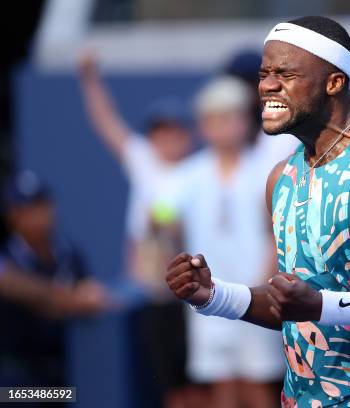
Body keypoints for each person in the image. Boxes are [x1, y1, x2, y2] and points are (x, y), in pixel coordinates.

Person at [166, 16, 350, 407]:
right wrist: (213, 295)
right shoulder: (280, 178)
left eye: (284, 73)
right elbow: (295, 310)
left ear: (334, 83)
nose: (267, 85)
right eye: (264, 72)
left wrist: (321, 304)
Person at [77, 52, 193, 408]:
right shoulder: (143, 159)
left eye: (174, 130)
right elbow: (106, 123)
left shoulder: (202, 170)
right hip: (144, 285)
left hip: (189, 288)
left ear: (187, 135)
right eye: (160, 130)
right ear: (152, 136)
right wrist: (89, 79)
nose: (167, 138)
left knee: (192, 384)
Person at [164, 75, 287, 408]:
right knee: (221, 385)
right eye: (214, 119)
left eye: (230, 117)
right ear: (203, 126)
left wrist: (264, 282)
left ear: (245, 121)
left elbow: (274, 233)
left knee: (259, 383)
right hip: (206, 297)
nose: (223, 127)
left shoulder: (266, 171)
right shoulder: (185, 176)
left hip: (255, 292)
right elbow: (165, 228)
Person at [0, 171, 108, 392]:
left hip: (67, 369)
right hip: (18, 376)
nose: (41, 214)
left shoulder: (69, 253)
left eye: (43, 205)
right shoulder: (7, 258)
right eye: (30, 208)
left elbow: (90, 296)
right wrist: (70, 299)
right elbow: (22, 289)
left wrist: (86, 296)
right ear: (14, 216)